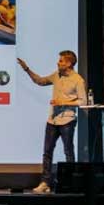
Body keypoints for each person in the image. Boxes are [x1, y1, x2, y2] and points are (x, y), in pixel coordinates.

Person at [18, 50, 86, 193]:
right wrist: (26, 69)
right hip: (52, 120)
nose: (58, 62)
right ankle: (45, 183)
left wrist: (63, 102)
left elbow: (83, 101)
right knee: (47, 152)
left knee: (69, 152)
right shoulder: (56, 75)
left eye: (61, 61)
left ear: (69, 63)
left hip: (67, 120)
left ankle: (70, 184)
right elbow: (40, 81)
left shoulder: (78, 80)